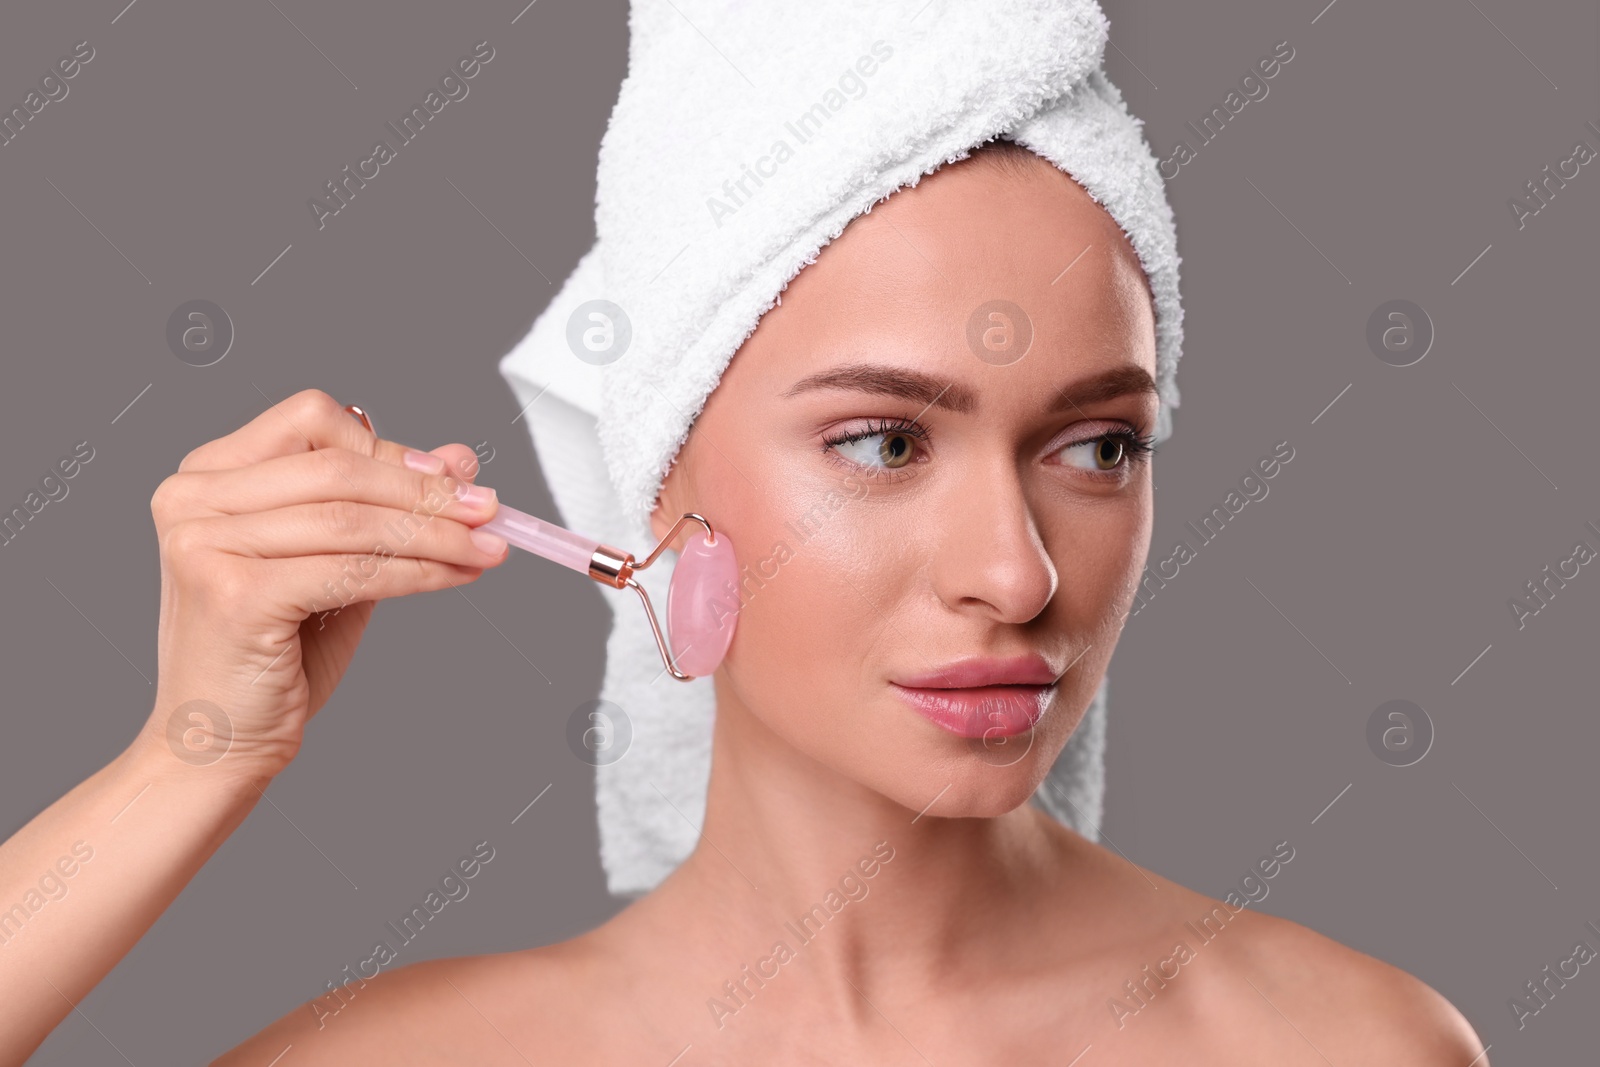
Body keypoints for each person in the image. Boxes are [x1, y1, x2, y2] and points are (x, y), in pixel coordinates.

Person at [0, 138, 1487, 1066]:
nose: (1020, 573)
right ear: (658, 492)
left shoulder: (1342, 1049)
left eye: (1099, 446)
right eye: (885, 443)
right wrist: (189, 761)